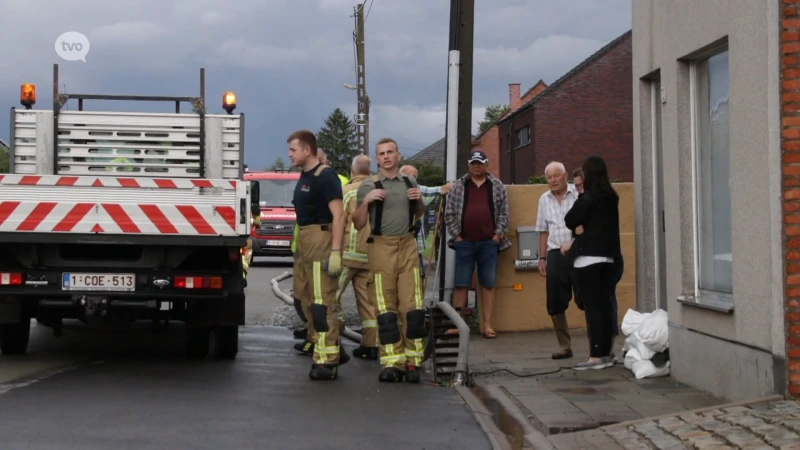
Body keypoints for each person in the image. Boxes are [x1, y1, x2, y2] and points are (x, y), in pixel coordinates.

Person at [353, 137, 426, 383]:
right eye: (381, 153)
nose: (385, 156)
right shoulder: (368, 184)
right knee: (385, 309)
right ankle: (392, 362)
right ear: (377, 159)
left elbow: (419, 213)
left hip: (407, 245)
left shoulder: (409, 180)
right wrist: (367, 201)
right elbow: (358, 222)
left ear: (398, 155)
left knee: (413, 307)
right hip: (381, 247)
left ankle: (413, 361)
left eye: (390, 152)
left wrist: (419, 201)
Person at [287, 129, 350, 380]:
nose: (290, 155)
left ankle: (327, 360)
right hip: (305, 242)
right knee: (304, 297)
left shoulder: (326, 176)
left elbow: (339, 214)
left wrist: (335, 251)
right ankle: (327, 345)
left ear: (307, 150)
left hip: (321, 242)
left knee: (323, 301)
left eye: (293, 150)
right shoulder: (305, 176)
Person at [562, 155, 621, 370]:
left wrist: (581, 228)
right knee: (606, 307)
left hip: (588, 261)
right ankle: (606, 353)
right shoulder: (611, 197)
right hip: (609, 259)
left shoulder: (588, 198)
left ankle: (595, 356)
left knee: (593, 310)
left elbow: (570, 219)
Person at [443, 150, 511, 339]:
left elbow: (505, 213)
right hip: (464, 242)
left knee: (488, 284)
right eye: (473, 163)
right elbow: (449, 213)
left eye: (479, 163)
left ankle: (488, 325)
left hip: (489, 243)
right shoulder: (459, 185)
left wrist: (497, 236)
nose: (476, 166)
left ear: (486, 164)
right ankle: (458, 325)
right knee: (461, 284)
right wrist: (457, 236)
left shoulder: (497, 186)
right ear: (469, 164)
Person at [534, 161, 580, 359]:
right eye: (549, 177)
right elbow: (543, 230)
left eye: (556, 175)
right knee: (554, 300)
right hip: (554, 252)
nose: (552, 180)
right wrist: (542, 257)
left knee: (586, 297)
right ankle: (564, 345)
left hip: (579, 251)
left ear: (565, 176)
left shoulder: (578, 194)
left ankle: (598, 345)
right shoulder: (544, 199)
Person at [337, 154, 379, 360]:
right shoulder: (377, 191)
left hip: (346, 255)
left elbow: (339, 222)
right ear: (369, 171)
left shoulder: (344, 192)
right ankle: (371, 345)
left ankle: (333, 338)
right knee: (368, 303)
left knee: (330, 298)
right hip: (370, 255)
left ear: (352, 171)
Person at [398, 164, 453, 277]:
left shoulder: (420, 190)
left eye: (414, 176)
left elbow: (444, 189)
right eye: (407, 176)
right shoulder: (389, 190)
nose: (410, 179)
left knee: (418, 277)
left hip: (414, 245)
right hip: (393, 244)